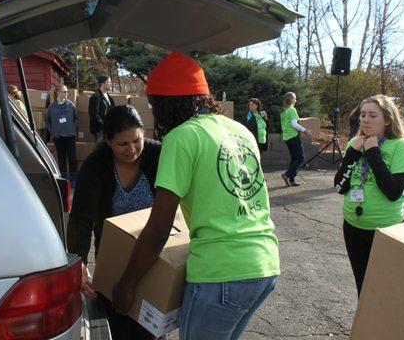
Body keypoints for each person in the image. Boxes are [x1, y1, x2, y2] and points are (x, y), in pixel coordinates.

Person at [111, 51, 279, 340]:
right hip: (265, 264)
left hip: (221, 274)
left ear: (165, 104)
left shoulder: (181, 137)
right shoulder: (239, 131)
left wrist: (126, 284)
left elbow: (160, 227)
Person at [66, 104, 161, 340]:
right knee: (117, 321)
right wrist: (79, 262)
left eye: (136, 140)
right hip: (113, 259)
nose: (132, 150)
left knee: (151, 326)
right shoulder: (95, 165)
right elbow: (80, 219)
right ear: (107, 141)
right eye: (122, 144)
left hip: (154, 257)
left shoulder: (157, 155)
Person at [333, 95, 404, 297]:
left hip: (384, 229)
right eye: (362, 115)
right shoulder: (356, 142)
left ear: (387, 120)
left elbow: (393, 192)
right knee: (362, 285)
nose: (365, 120)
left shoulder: (400, 146)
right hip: (353, 226)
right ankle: (366, 325)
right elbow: (339, 187)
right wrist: (352, 154)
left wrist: (373, 153)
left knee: (383, 288)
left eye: (372, 115)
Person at [45, 84, 78, 182]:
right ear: (58, 93)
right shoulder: (52, 106)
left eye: (67, 92)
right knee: (61, 158)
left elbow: (76, 118)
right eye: (64, 91)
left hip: (70, 136)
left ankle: (73, 179)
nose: (66, 93)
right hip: (58, 137)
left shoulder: (71, 105)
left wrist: (73, 129)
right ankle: (63, 179)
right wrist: (53, 132)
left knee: (72, 157)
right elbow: (47, 121)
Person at [280, 91, 312, 186]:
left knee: (294, 158)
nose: (296, 100)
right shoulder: (292, 110)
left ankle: (292, 180)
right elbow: (294, 124)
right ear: (291, 100)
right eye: (295, 98)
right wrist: (305, 130)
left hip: (287, 138)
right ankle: (287, 175)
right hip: (293, 137)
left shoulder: (283, 111)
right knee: (300, 158)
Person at [89, 74, 115, 143]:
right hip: (100, 130)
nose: (111, 84)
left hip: (109, 129)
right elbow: (94, 114)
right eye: (109, 82)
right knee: (101, 149)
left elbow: (114, 111)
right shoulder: (95, 96)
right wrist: (103, 125)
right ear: (102, 83)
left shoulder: (109, 97)